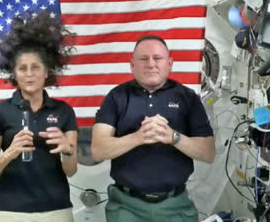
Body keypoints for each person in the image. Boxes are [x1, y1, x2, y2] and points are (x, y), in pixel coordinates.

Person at [91, 35, 215, 222]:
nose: (151, 64)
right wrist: (139, 137)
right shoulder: (116, 97)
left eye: (157, 58)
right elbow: (98, 150)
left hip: (175, 207)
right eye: (143, 59)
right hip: (126, 207)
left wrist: (173, 137)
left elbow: (208, 152)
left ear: (170, 63)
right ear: (132, 65)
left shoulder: (187, 98)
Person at [0, 12, 78, 222]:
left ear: (46, 72)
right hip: (11, 211)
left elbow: (70, 171)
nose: (29, 73)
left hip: (57, 209)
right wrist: (10, 153)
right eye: (22, 68)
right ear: (14, 74)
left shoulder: (64, 111)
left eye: (36, 67)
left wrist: (68, 150)